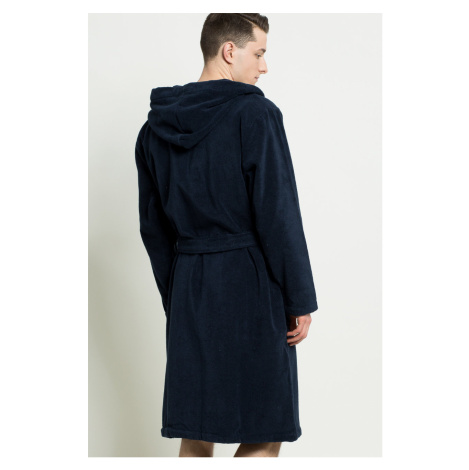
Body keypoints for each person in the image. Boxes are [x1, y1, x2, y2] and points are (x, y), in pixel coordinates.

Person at [134, 13, 318, 458]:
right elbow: (278, 212)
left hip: (190, 288)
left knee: (197, 430)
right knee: (265, 429)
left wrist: (178, 295)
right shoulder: (255, 114)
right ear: (229, 50)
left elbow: (153, 229)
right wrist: (300, 298)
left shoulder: (154, 128)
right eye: (259, 53)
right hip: (252, 287)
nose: (264, 67)